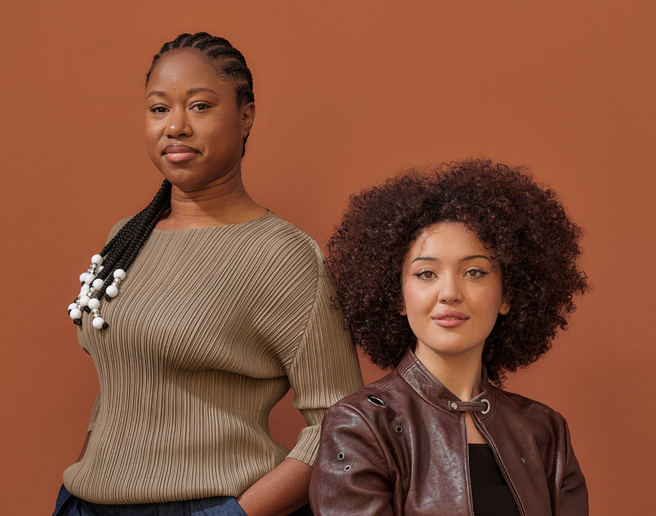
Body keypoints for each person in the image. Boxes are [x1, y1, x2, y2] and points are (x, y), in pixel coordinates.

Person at [54, 32, 363, 516]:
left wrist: (234, 515)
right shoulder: (129, 235)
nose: (175, 126)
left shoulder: (281, 255)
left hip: (203, 507)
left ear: (246, 116)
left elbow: (340, 423)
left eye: (199, 106)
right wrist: (85, 480)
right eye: (159, 109)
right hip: (86, 502)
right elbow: (123, 379)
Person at [310, 159, 589, 515]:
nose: (450, 293)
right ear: (398, 297)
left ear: (508, 295)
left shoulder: (546, 432)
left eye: (474, 272)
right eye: (426, 273)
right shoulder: (359, 426)